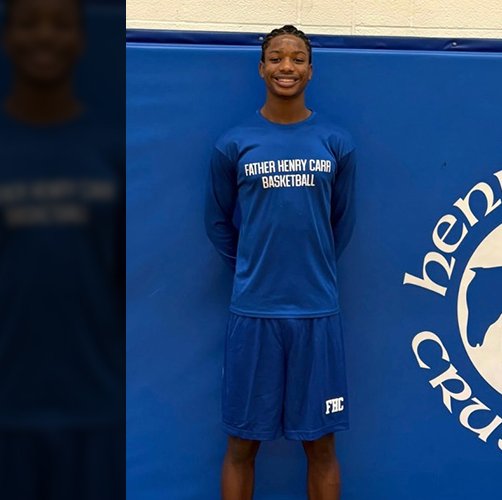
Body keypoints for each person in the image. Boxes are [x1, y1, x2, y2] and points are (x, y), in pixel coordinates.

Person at [0, 0, 125, 498]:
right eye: (28, 23)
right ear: (6, 38)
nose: (44, 36)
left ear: (81, 40)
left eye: (60, 24)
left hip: (94, 407)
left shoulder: (111, 150)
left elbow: (125, 280)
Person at [204, 25, 357, 500]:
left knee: (322, 446)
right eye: (276, 58)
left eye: (296, 58)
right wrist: (254, 269)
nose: (285, 67)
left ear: (310, 69)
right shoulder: (234, 143)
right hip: (254, 315)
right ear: (262, 67)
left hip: (316, 314)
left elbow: (341, 224)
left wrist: (306, 272)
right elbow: (217, 223)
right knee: (241, 445)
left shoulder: (335, 141)